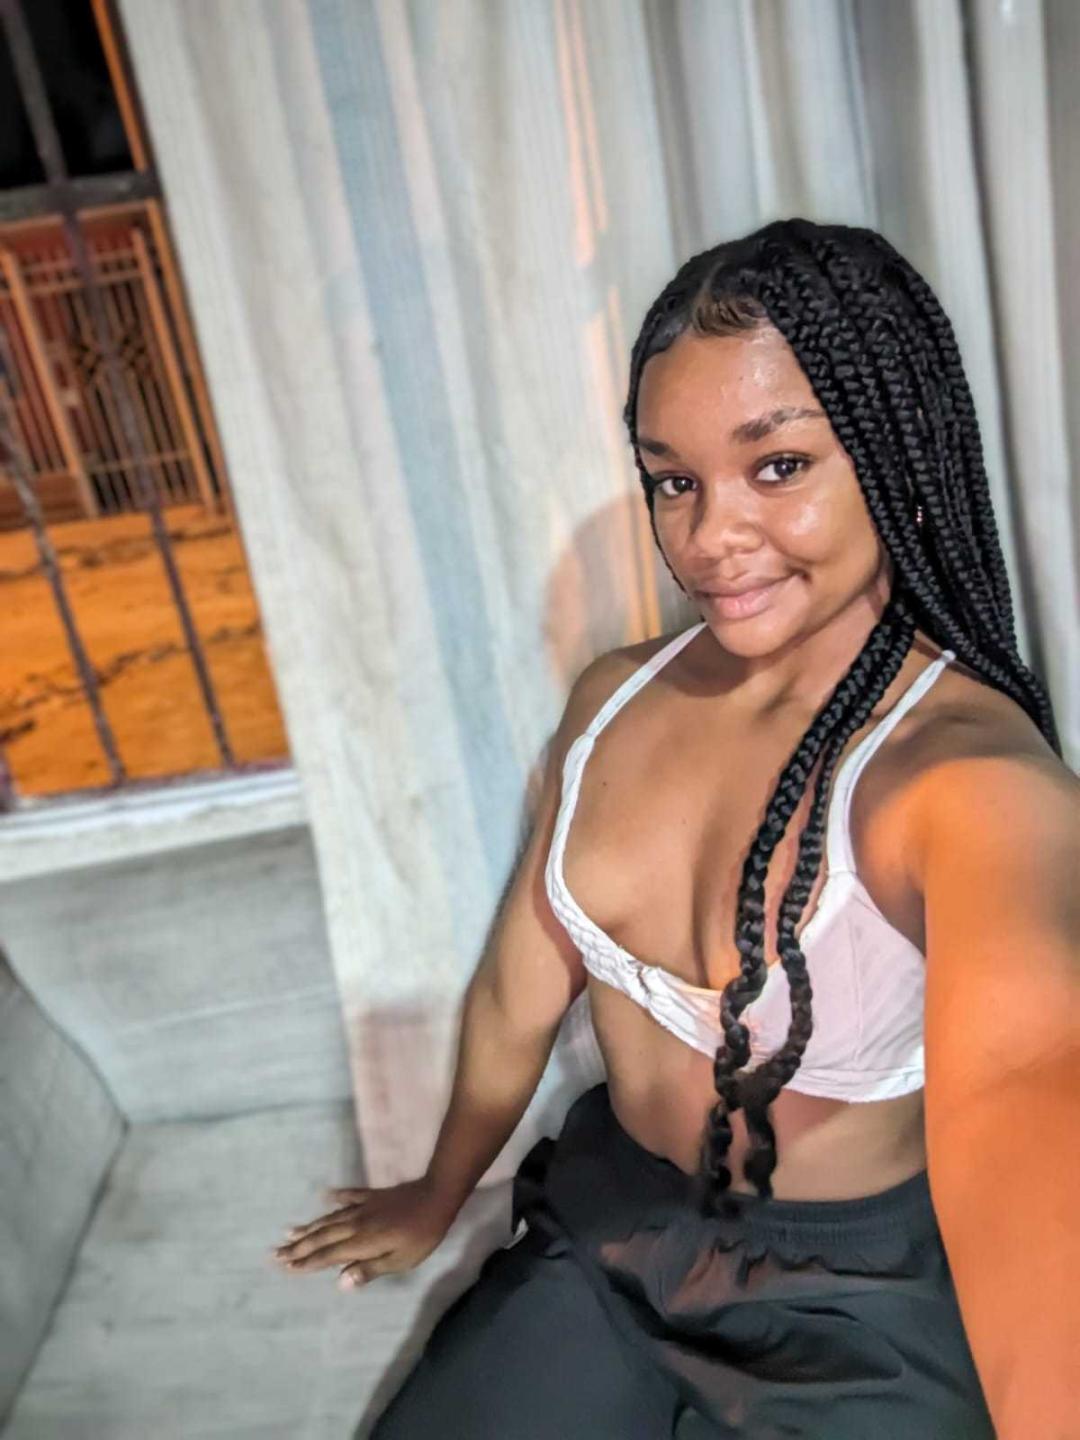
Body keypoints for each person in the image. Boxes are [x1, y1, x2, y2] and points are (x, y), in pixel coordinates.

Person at [271, 219, 1078, 1438]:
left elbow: (1033, 1150)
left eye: (778, 466)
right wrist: (440, 1190)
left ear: (897, 449)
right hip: (606, 1232)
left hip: (854, 1306)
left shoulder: (970, 788)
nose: (708, 538)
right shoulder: (614, 700)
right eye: (674, 480)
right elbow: (516, 992)